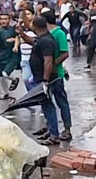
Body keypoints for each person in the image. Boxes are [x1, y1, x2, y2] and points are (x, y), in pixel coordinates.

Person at [29, 17, 61, 146]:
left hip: (47, 80)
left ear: (36, 26)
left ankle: (54, 135)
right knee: (45, 105)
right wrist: (21, 32)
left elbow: (48, 61)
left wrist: (45, 81)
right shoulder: (42, 39)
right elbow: (31, 41)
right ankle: (51, 130)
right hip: (41, 78)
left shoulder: (46, 41)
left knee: (48, 105)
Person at [42, 10, 73, 141]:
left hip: (57, 75)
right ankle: (51, 129)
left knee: (62, 103)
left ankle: (67, 129)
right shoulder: (48, 34)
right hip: (48, 74)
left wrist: (53, 64)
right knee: (48, 103)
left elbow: (65, 53)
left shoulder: (59, 33)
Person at [0, 12, 20, 99]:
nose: (3, 21)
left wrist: (15, 42)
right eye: (2, 19)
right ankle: (5, 93)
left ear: (9, 20)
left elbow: (19, 37)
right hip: (1, 57)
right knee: (1, 77)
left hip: (12, 56)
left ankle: (14, 79)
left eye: (5, 19)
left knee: (5, 73)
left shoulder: (13, 29)